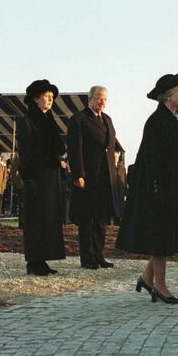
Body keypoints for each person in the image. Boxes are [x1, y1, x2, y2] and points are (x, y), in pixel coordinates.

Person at [116, 72, 178, 304]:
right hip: (159, 187)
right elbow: (151, 158)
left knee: (166, 234)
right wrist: (157, 187)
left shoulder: (176, 118)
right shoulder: (156, 120)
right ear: (167, 96)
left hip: (174, 184)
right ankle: (160, 286)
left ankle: (146, 278)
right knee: (160, 237)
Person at [67, 85, 122, 269]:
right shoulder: (79, 119)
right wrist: (78, 174)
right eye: (99, 98)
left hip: (105, 177)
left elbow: (110, 148)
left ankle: (99, 254)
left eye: (105, 99)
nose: (102, 102)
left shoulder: (108, 119)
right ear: (89, 99)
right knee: (87, 219)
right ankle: (87, 257)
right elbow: (75, 150)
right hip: (88, 177)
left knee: (101, 219)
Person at [17, 79, 67, 276]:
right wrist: (29, 177)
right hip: (35, 176)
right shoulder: (26, 121)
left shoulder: (50, 121)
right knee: (36, 220)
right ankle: (34, 261)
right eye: (46, 96)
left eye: (52, 97)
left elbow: (58, 147)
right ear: (36, 98)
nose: (50, 100)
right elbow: (26, 151)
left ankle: (44, 259)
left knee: (49, 219)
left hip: (50, 175)